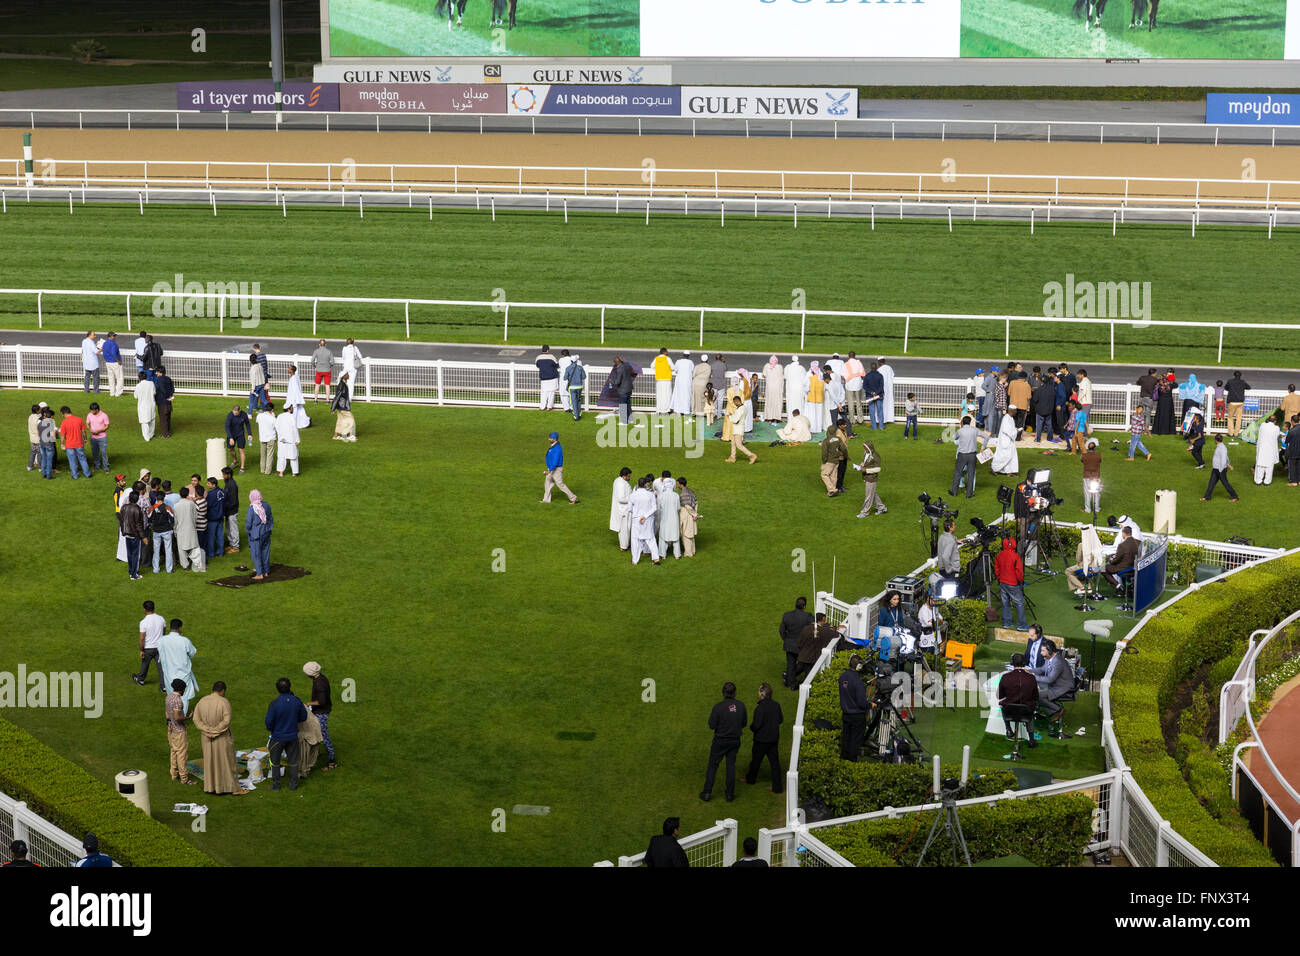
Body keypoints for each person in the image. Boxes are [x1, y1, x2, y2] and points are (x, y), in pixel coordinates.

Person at [192, 682, 249, 796]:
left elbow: (196, 719)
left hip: (207, 736)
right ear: (222, 690)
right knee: (227, 762)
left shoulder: (202, 701)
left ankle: (211, 787)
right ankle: (234, 789)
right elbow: (226, 721)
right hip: (222, 737)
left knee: (210, 761)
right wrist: (215, 731)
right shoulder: (224, 702)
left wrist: (207, 730)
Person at [700, 682, 747, 803]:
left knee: (713, 766)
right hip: (734, 741)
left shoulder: (718, 707)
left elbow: (711, 725)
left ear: (723, 693)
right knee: (730, 766)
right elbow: (744, 723)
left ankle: (707, 793)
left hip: (720, 741)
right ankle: (730, 795)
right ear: (735, 693)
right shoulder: (741, 706)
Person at [266, 677, 308, 792]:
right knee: (294, 761)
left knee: (275, 762)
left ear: (278, 689)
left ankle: (276, 786)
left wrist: (272, 729)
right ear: (290, 687)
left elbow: (269, 722)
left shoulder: (274, 704)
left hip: (278, 737)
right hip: (292, 737)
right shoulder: (296, 701)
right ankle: (293, 786)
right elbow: (303, 717)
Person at [744, 683, 784, 791]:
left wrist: (751, 728)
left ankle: (750, 779)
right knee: (775, 763)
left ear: (762, 693)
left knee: (756, 761)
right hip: (773, 739)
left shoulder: (760, 708)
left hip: (761, 740)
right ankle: (777, 787)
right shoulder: (776, 705)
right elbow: (780, 720)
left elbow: (756, 725)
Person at [998, 654, 1039, 745]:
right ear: (1024, 663)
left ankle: (1008, 729)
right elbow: (1036, 696)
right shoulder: (1031, 678)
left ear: (1012, 663)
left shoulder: (1005, 677)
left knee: (1002, 704)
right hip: (1027, 711)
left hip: (1009, 711)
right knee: (1030, 704)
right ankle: (1031, 739)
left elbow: (1000, 696)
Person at [304, 661, 336, 771]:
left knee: (324, 736)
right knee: (316, 733)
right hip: (321, 711)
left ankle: (332, 761)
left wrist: (308, 704)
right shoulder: (321, 678)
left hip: (321, 712)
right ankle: (317, 753)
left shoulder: (319, 683)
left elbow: (321, 701)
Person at [158, 619, 197, 709]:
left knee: (171, 695)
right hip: (183, 673)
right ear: (179, 628)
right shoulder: (184, 641)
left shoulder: (162, 640)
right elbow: (192, 653)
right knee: (184, 696)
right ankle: (179, 718)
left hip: (168, 673)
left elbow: (160, 653)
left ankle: (172, 718)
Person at [164, 678, 197, 786]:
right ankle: (185, 779)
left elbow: (167, 714)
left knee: (173, 751)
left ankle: (174, 774)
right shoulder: (178, 701)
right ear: (181, 689)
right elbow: (177, 717)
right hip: (179, 732)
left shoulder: (168, 697)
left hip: (171, 730)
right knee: (182, 755)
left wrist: (170, 723)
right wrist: (188, 717)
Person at [1031, 643, 1074, 720]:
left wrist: (1033, 677)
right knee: (1033, 691)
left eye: (1043, 651)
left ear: (1050, 651)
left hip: (1062, 687)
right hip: (1057, 684)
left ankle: (1058, 709)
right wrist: (1028, 671)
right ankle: (1052, 713)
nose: (1041, 653)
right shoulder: (1050, 658)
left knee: (1038, 695)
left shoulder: (1058, 662)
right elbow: (1041, 669)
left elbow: (1050, 679)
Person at [839, 655, 870, 761]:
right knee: (855, 740)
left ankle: (844, 759)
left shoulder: (842, 677)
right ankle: (852, 761)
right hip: (857, 716)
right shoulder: (858, 682)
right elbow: (862, 702)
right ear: (859, 667)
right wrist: (870, 705)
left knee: (846, 737)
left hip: (846, 714)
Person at [793, 613, 838, 685]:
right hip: (811, 658)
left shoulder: (806, 628)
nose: (825, 622)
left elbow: (799, 642)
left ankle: (788, 677)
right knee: (808, 676)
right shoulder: (823, 631)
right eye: (825, 621)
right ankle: (806, 689)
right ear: (822, 621)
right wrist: (832, 629)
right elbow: (836, 635)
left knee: (798, 668)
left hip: (802, 655)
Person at [779, 597, 814, 689]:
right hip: (802, 646)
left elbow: (781, 630)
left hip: (790, 645)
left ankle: (791, 684)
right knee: (806, 665)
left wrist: (786, 640)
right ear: (804, 606)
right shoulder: (808, 616)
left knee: (791, 665)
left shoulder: (786, 615)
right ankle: (806, 685)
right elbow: (815, 628)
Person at [995, 536, 1027, 630]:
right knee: (1019, 603)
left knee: (1005, 603)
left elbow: (997, 569)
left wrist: (999, 578)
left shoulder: (999, 555)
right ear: (1014, 545)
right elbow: (1019, 572)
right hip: (1013, 583)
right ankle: (1021, 625)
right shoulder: (1015, 556)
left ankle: (1007, 622)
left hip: (1002, 582)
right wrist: (1020, 581)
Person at [133, 600, 166, 688]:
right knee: (161, 667)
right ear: (154, 608)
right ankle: (164, 686)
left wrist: (141, 650)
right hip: (159, 647)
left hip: (148, 648)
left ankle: (140, 680)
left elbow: (142, 638)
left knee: (145, 664)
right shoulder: (161, 619)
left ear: (144, 609)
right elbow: (163, 633)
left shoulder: (143, 622)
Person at [628, 476, 661, 566]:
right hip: (648, 519)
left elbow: (629, 509)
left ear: (638, 484)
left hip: (636, 520)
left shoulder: (633, 495)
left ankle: (635, 560)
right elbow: (654, 508)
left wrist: (639, 515)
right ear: (645, 484)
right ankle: (656, 559)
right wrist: (645, 516)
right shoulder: (650, 494)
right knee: (650, 539)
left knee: (635, 540)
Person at [852, 438, 887, 517]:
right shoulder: (866, 454)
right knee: (872, 493)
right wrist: (860, 465)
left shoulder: (875, 456)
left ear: (869, 448)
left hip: (872, 478)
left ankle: (865, 512)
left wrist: (866, 470)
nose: (864, 449)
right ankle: (881, 508)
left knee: (868, 496)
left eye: (866, 448)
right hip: (867, 477)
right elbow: (864, 462)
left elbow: (878, 469)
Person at [173, 487, 205, 573]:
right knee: (194, 546)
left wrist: (175, 529)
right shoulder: (191, 503)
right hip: (191, 528)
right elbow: (195, 516)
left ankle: (185, 566)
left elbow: (175, 520)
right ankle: (197, 564)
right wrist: (193, 524)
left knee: (181, 548)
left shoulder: (176, 506)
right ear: (187, 494)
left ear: (180, 494)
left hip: (180, 529)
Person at [541, 432, 578, 505]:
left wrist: (549, 470)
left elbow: (555, 461)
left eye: (550, 438)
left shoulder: (557, 448)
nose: (549, 439)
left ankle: (573, 498)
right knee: (547, 483)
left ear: (554, 439)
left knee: (560, 485)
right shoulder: (554, 446)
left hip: (556, 469)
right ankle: (546, 500)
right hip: (552, 468)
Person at [950, 416, 982, 499]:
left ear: (962, 422)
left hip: (962, 455)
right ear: (970, 422)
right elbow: (986, 437)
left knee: (958, 473)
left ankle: (954, 492)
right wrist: (982, 448)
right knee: (971, 474)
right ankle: (969, 494)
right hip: (972, 455)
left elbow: (954, 438)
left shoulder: (960, 431)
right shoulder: (974, 430)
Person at [1202, 434, 1239, 502]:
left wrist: (1221, 469)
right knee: (1211, 483)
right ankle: (1207, 497)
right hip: (1215, 469)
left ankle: (1234, 496)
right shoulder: (1220, 447)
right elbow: (1226, 457)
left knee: (1225, 483)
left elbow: (1224, 459)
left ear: (1216, 440)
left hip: (1220, 470)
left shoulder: (1222, 448)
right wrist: (1228, 465)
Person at [57, 406, 91, 480]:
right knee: (83, 459)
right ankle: (87, 474)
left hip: (69, 445)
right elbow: (83, 432)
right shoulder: (79, 419)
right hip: (79, 444)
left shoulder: (64, 422)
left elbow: (62, 435)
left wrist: (62, 444)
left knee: (72, 461)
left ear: (63, 413)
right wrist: (85, 440)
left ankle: (75, 475)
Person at [119, 490, 147, 579]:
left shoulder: (124, 507)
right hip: (135, 535)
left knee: (130, 554)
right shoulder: (137, 509)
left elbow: (121, 520)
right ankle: (134, 574)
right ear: (137, 499)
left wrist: (123, 530)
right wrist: (143, 537)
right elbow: (139, 525)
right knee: (135, 554)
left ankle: (131, 571)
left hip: (126, 533)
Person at [246, 490, 273, 580]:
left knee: (256, 553)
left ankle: (259, 574)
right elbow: (270, 518)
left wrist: (249, 531)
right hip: (266, 532)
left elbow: (248, 523)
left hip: (256, 534)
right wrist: (268, 528)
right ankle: (266, 571)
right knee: (265, 552)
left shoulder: (252, 508)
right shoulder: (266, 505)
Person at [724, 396, 757, 464]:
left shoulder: (741, 409)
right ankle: (732, 457)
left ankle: (752, 455)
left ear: (736, 401)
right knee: (733, 443)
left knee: (739, 445)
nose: (734, 404)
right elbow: (737, 417)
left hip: (738, 429)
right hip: (736, 429)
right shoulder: (742, 408)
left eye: (734, 402)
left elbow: (735, 420)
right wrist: (732, 415)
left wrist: (729, 416)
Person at [148, 494, 176, 574]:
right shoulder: (167, 507)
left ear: (156, 498)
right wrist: (170, 527)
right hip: (166, 531)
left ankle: (156, 569)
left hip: (156, 531)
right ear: (163, 498)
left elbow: (149, 519)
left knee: (156, 551)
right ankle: (169, 569)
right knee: (168, 550)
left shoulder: (152, 508)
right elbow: (172, 519)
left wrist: (153, 526)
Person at [656, 478, 682, 560]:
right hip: (674, 518)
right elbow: (678, 507)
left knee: (663, 536)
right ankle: (677, 555)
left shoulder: (660, 496)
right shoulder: (676, 495)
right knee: (675, 536)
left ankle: (663, 555)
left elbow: (658, 508)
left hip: (664, 518)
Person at [990, 405, 1019, 475]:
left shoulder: (1011, 418)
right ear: (1012, 410)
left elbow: (1011, 429)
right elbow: (1007, 430)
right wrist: (1016, 432)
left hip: (1010, 440)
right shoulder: (1006, 418)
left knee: (1011, 455)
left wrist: (1015, 430)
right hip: (1005, 440)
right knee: (1003, 456)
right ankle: (994, 468)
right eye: (1015, 410)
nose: (1016, 411)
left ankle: (1008, 471)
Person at [819, 424, 846, 497]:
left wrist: (824, 460)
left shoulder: (826, 441)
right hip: (837, 460)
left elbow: (824, 452)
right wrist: (844, 455)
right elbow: (843, 448)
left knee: (824, 474)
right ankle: (834, 489)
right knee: (833, 475)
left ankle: (831, 490)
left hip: (829, 460)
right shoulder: (838, 439)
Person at [609, 466, 632, 550]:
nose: (629, 478)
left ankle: (625, 545)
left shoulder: (618, 480)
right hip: (623, 510)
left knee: (626, 529)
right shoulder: (621, 484)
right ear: (624, 475)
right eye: (629, 476)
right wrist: (632, 499)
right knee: (624, 529)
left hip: (623, 509)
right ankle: (624, 546)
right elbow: (621, 499)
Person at [275, 404, 301, 477]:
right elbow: (295, 429)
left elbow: (276, 427)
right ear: (289, 409)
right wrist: (297, 439)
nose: (293, 409)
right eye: (292, 408)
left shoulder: (279, 416)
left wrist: (280, 437)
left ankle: (281, 473)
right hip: (291, 439)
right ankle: (294, 472)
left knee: (281, 456)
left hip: (282, 440)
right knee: (293, 456)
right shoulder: (291, 417)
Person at [224, 404, 252, 472]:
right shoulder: (230, 415)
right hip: (231, 435)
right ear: (232, 410)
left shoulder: (244, 414)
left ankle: (242, 468)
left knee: (241, 450)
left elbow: (247, 424)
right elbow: (227, 427)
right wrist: (230, 437)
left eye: (236, 412)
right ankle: (235, 461)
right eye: (234, 412)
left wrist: (249, 434)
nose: (235, 413)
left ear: (239, 411)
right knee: (230, 449)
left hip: (240, 434)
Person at [1255, 414, 1281, 484]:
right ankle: (1267, 481)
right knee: (1269, 465)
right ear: (1275, 421)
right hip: (1271, 448)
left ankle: (1258, 480)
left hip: (1262, 448)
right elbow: (1277, 435)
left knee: (1260, 464)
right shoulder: (1276, 428)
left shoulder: (1263, 425)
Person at [609, 356, 636, 425]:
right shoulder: (627, 365)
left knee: (623, 405)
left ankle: (624, 421)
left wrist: (611, 381)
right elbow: (633, 373)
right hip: (629, 388)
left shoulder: (619, 369)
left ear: (616, 363)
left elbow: (617, 382)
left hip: (623, 390)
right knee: (628, 404)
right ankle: (630, 419)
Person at [677, 477, 699, 557]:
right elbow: (696, 502)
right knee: (691, 534)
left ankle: (688, 553)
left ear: (680, 484)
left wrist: (694, 514)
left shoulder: (683, 494)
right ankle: (692, 551)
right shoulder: (691, 491)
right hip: (692, 515)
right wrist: (695, 513)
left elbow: (687, 506)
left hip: (686, 515)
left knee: (686, 534)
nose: (677, 485)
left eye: (677, 483)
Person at [204, 478, 226, 559]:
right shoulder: (222, 492)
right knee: (220, 536)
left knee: (211, 537)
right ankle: (220, 552)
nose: (207, 485)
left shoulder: (210, 494)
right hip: (220, 517)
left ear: (214, 485)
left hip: (212, 518)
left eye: (209, 484)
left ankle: (211, 553)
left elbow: (208, 505)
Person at [331, 373, 357, 441]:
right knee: (351, 420)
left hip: (340, 406)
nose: (349, 375)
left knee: (340, 420)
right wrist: (333, 407)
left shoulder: (343, 383)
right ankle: (349, 435)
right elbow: (337, 396)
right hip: (343, 406)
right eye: (347, 374)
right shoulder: (341, 385)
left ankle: (336, 435)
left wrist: (333, 407)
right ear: (344, 376)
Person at [284, 365, 310, 430]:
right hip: (293, 397)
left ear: (292, 370)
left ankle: (294, 424)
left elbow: (296, 390)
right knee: (299, 411)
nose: (288, 370)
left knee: (294, 412)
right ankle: (302, 422)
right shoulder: (295, 377)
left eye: (289, 369)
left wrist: (298, 400)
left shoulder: (294, 379)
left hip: (294, 399)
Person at [221, 467, 240, 554]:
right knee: (229, 528)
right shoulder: (228, 482)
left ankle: (235, 547)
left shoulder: (231, 484)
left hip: (232, 511)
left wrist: (227, 508)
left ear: (229, 475)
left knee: (233, 529)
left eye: (224, 474)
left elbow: (233, 500)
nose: (223, 476)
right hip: (229, 511)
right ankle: (232, 544)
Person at [536, 345, 561, 411]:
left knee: (544, 392)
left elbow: (537, 365)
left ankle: (542, 406)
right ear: (548, 350)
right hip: (552, 377)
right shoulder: (551, 357)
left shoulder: (538, 357)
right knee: (551, 392)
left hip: (543, 377)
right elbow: (557, 365)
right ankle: (549, 407)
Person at [1081, 438, 1102, 514]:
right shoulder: (1098, 455)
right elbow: (1100, 461)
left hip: (1087, 476)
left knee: (1087, 493)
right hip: (1096, 477)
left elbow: (1082, 460)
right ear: (1095, 447)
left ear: (1088, 447)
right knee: (1097, 493)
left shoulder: (1084, 455)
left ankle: (1087, 509)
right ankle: (1096, 508)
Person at [134, 371, 157, 441]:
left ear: (139, 378)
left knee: (144, 422)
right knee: (152, 419)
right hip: (151, 404)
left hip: (142, 405)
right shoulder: (151, 383)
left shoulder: (138, 386)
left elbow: (135, 396)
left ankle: (147, 437)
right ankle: (151, 434)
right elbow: (154, 392)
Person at [862, 361, 884, 431]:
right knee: (880, 411)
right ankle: (881, 427)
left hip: (870, 395)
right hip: (879, 395)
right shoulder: (880, 375)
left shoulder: (867, 376)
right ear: (876, 367)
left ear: (870, 368)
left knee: (872, 412)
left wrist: (872, 392)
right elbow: (881, 386)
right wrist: (876, 393)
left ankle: (874, 427)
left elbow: (864, 386)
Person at [783, 356, 805, 427]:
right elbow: (804, 379)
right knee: (799, 406)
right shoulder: (801, 368)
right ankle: (800, 422)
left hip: (791, 390)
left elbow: (785, 377)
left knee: (791, 406)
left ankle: (791, 423)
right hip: (799, 391)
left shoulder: (787, 367)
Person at [256, 403, 277, 474]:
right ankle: (268, 471)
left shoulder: (259, 416)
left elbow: (257, 421)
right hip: (271, 438)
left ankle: (262, 469)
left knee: (263, 455)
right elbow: (277, 427)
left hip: (262, 437)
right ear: (272, 410)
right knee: (269, 455)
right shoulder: (273, 418)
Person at [154, 365, 175, 438]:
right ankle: (168, 432)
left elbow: (163, 390)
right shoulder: (168, 378)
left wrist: (166, 397)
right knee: (168, 417)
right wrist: (170, 396)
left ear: (160, 372)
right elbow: (172, 389)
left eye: (157, 372)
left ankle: (165, 435)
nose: (156, 373)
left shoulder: (159, 379)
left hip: (162, 402)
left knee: (163, 419)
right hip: (169, 401)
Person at [564, 356, 588, 421]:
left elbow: (565, 378)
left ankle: (576, 415)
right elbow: (584, 377)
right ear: (576, 361)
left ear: (571, 361)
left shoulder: (568, 368)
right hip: (579, 386)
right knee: (578, 400)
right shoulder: (580, 368)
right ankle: (579, 413)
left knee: (573, 401)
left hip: (572, 387)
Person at [651, 347, 673, 414]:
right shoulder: (667, 359)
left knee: (659, 395)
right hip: (667, 379)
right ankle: (666, 409)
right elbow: (673, 367)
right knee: (667, 395)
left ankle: (659, 409)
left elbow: (652, 366)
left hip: (659, 379)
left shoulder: (656, 359)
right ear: (665, 352)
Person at [102, 331, 124, 397]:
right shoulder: (113, 344)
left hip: (108, 362)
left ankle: (112, 393)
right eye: (114, 336)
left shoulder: (105, 343)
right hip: (115, 362)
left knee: (111, 378)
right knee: (119, 378)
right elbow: (114, 354)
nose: (115, 337)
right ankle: (118, 393)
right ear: (110, 336)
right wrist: (119, 361)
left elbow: (104, 352)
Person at [762, 355, 783, 422]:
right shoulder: (780, 367)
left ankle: (769, 417)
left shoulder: (767, 366)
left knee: (769, 402)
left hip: (769, 388)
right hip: (777, 388)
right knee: (777, 402)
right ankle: (777, 417)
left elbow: (764, 374)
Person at [876, 356, 896, 425]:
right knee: (889, 404)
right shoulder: (889, 368)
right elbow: (893, 376)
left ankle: (881, 420)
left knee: (882, 405)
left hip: (882, 390)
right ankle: (889, 418)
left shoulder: (879, 370)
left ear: (879, 362)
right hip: (889, 390)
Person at [1287, 415, 1300, 485]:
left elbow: (1287, 441)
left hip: (1293, 451)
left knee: (1292, 467)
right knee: (1299, 466)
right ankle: (1299, 481)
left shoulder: (1291, 431)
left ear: (1292, 421)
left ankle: (1293, 482)